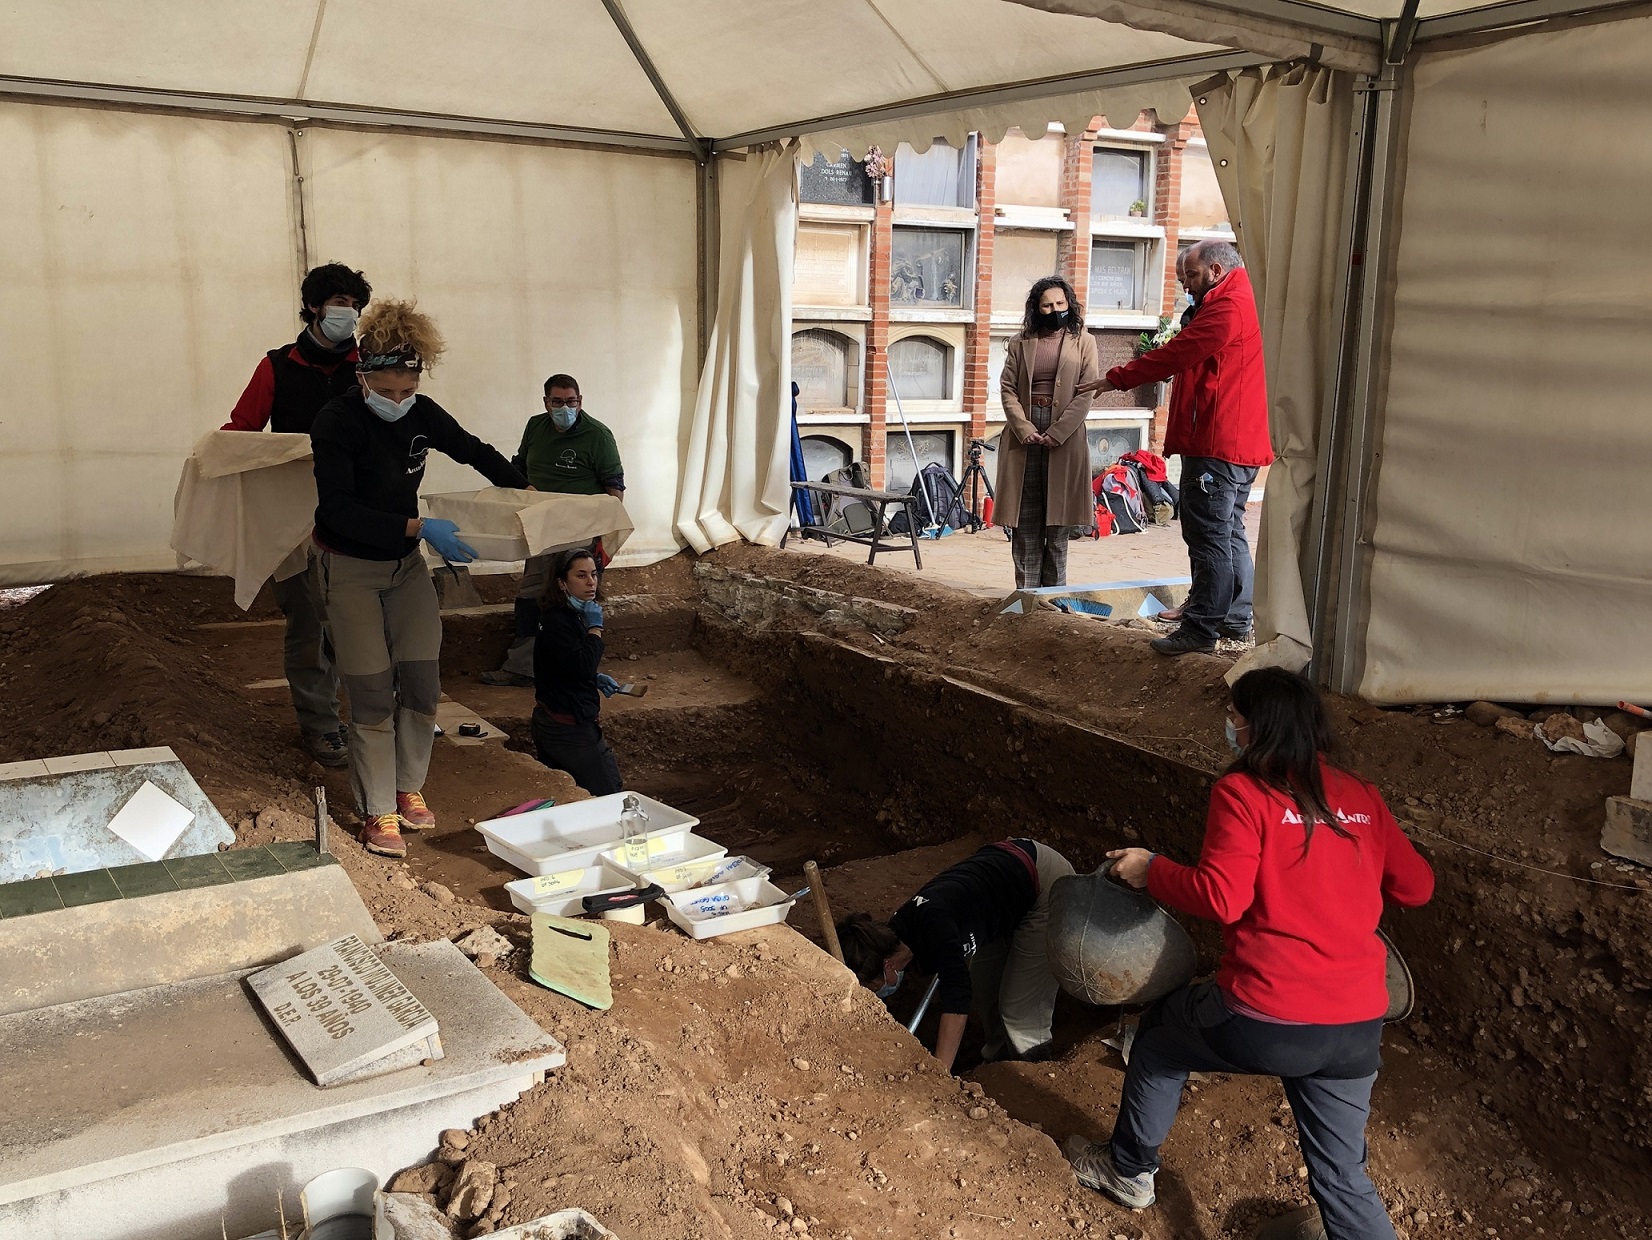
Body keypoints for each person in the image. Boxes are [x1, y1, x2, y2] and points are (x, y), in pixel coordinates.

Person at [1064, 668, 1434, 1240]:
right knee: (1341, 1175)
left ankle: (1127, 1169)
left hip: (1269, 1016)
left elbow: (1221, 896)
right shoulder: (1361, 796)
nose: (1229, 726)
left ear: (1256, 727)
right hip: (1356, 1024)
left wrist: (1150, 869)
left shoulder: (1242, 793)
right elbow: (1418, 888)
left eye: (1234, 716)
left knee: (1160, 1037)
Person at [308, 300, 529, 858]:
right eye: (387, 391)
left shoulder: (422, 414)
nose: (399, 401)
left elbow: (476, 453)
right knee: (372, 691)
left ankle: (408, 787)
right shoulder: (336, 422)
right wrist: (420, 524)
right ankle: (377, 809)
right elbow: (336, 510)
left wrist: (533, 494)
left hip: (406, 567)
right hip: (351, 567)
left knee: (423, 683)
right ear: (363, 375)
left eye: (408, 390)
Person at [1086, 240, 1270, 655]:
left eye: (1190, 276)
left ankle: (1201, 629)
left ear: (1216, 270)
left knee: (1207, 535)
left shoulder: (1229, 304)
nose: (1186, 286)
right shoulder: (1238, 296)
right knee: (1229, 531)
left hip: (1218, 440)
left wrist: (1117, 378)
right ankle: (1236, 619)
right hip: (1235, 440)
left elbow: (1182, 352)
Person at [223, 261, 373, 768]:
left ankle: (376, 718)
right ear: (312, 306)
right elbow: (241, 433)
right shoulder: (277, 366)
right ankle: (322, 725)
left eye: (353, 306)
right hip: (293, 523)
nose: (345, 313)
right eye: (337, 303)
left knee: (366, 620)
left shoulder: (370, 366)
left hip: (359, 513)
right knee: (309, 625)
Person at [836, 838, 1076, 1073]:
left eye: (873, 986)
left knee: (1018, 1008)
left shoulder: (938, 932)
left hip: (1043, 884)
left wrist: (940, 1073)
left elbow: (957, 1001)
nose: (876, 993)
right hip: (1003, 890)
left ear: (888, 967)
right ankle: (998, 1065)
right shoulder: (898, 932)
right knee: (985, 986)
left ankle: (1032, 1073)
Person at [481, 374, 626, 688]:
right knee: (531, 595)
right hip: (540, 528)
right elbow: (518, 466)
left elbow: (614, 487)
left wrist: (605, 540)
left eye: (571, 402)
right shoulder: (536, 427)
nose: (565, 408)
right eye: (557, 402)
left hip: (580, 531)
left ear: (580, 401)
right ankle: (523, 667)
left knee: (574, 596)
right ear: (546, 402)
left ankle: (576, 667)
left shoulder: (598, 435)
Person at [995, 277, 1099, 589]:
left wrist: (1059, 431)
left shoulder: (1085, 342)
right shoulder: (1019, 342)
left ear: (1069, 304)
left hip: (1064, 439)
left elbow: (1086, 391)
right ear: (1036, 309)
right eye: (1046, 305)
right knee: (1025, 523)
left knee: (1057, 525)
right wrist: (1023, 427)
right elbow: (1007, 388)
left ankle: (1054, 599)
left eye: (1059, 304)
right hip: (1023, 437)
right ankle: (1027, 597)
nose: (1054, 310)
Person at [530, 546, 624, 796]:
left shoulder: (565, 615)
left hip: (553, 721)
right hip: (568, 729)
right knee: (608, 792)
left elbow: (561, 665)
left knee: (567, 793)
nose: (591, 582)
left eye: (594, 574)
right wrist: (595, 628)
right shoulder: (559, 621)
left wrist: (592, 679)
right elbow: (581, 664)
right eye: (581, 576)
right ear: (562, 583)